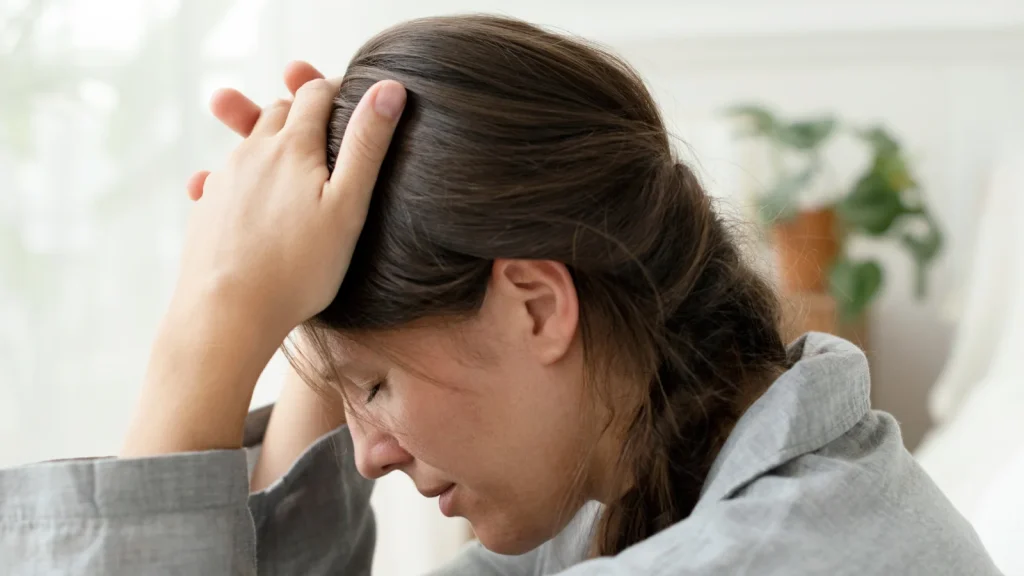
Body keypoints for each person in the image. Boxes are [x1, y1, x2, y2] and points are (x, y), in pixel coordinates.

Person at [0, 15, 1000, 576]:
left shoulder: (764, 559)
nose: (369, 456)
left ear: (535, 306)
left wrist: (211, 326)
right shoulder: (652, 484)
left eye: (378, 388)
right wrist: (309, 309)